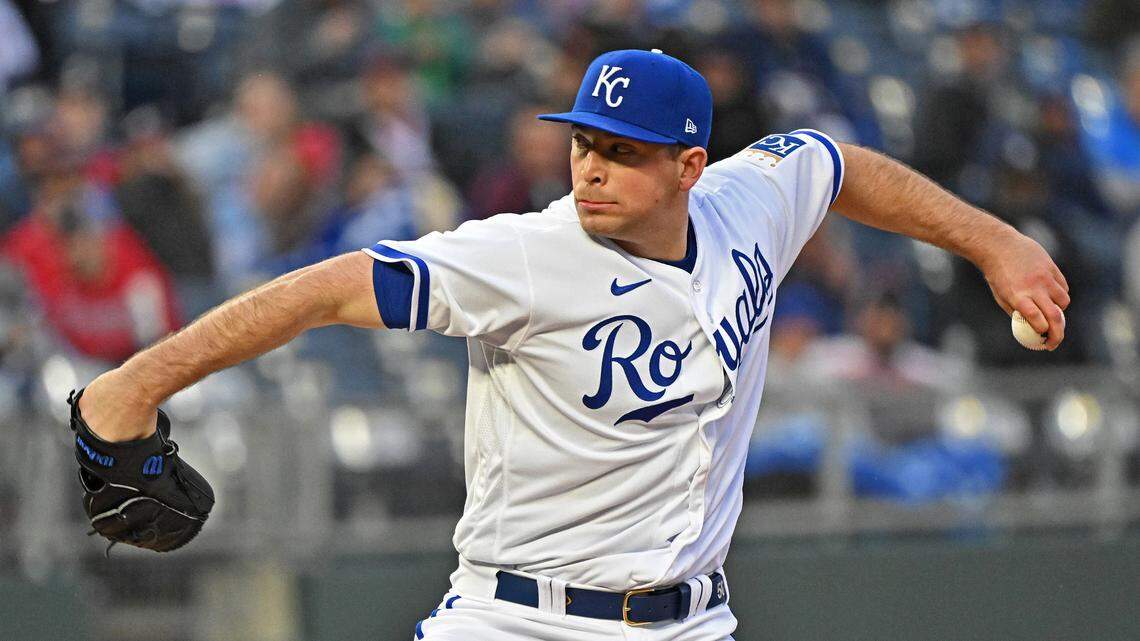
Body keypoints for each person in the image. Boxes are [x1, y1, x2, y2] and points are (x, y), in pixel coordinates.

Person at [74, 49, 1068, 640]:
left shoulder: (748, 203)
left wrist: (997, 240)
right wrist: (134, 382)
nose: (589, 167)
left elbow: (838, 164)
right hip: (519, 620)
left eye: (621, 153)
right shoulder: (526, 256)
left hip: (690, 619)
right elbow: (323, 291)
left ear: (689, 165)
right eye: (584, 140)